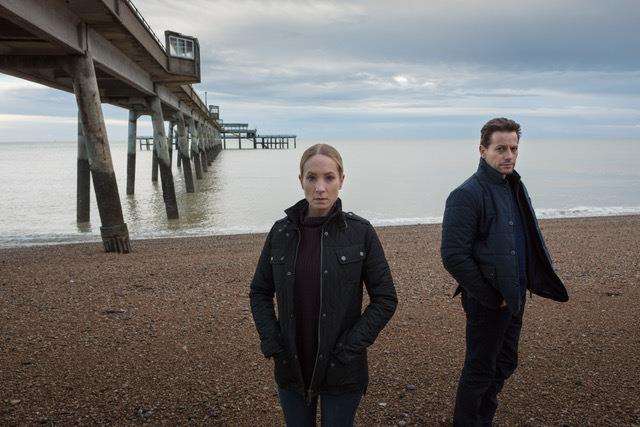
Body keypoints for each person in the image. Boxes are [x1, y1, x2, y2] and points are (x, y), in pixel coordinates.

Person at [249, 143, 397, 426]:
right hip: (291, 363)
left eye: (329, 178)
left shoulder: (360, 232)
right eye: (312, 178)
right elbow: (260, 291)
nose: (320, 187)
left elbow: (386, 298)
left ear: (342, 180)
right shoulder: (281, 232)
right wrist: (273, 342)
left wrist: (350, 347)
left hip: (342, 366)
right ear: (300, 180)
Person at [441, 118, 569, 426]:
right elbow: (453, 255)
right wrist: (490, 296)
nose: (508, 155)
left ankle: (482, 417)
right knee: (480, 368)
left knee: (505, 362)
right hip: (488, 299)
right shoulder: (467, 194)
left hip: (514, 294)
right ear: (482, 150)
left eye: (513, 148)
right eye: (500, 149)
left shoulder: (512, 186)